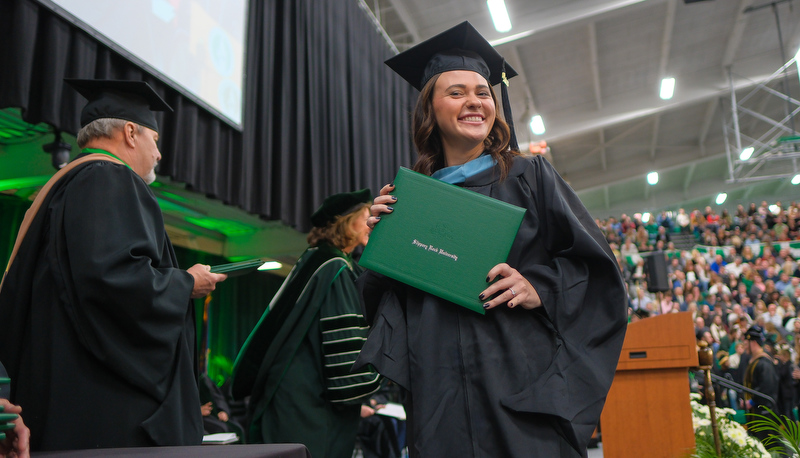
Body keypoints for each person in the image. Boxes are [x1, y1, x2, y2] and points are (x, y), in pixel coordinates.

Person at [354, 22, 628, 458]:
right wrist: (377, 246)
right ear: (431, 109)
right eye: (457, 92)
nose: (475, 102)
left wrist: (538, 286)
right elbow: (380, 306)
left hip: (518, 387)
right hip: (438, 394)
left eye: (483, 92)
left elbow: (596, 270)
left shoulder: (530, 176)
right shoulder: (411, 199)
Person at [0, 79, 227, 451]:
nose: (158, 155)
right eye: (155, 140)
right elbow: (112, 281)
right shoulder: (108, 177)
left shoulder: (66, 185)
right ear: (131, 132)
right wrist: (185, 283)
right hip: (102, 408)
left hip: (67, 396)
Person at [231, 189, 381, 458]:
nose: (372, 222)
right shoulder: (333, 267)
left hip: (288, 399)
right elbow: (344, 347)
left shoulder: (317, 259)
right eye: (365, 215)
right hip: (309, 409)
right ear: (346, 221)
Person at [743, 325, 779, 443]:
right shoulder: (755, 360)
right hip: (756, 412)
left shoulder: (764, 363)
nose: (744, 345)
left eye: (746, 342)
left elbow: (767, 387)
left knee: (770, 446)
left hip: (764, 413)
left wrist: (752, 401)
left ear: (752, 342)